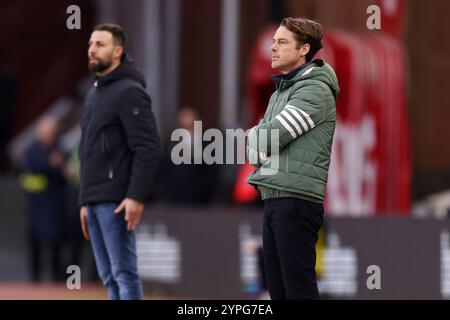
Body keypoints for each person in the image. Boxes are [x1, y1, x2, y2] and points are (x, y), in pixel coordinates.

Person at [246, 17, 340, 300]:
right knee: (278, 294)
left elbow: (266, 139)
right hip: (275, 197)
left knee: (299, 292)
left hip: (296, 201)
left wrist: (257, 138)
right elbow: (254, 151)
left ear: (303, 49)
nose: (273, 48)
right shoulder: (282, 91)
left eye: (282, 42)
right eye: (274, 41)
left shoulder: (314, 90)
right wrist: (257, 140)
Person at [79, 23, 161, 300]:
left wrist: (135, 196)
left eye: (99, 44)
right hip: (95, 200)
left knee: (124, 274)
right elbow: (88, 152)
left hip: (116, 200)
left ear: (118, 51)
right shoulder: (93, 95)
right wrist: (85, 200)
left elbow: (148, 147)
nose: (91, 50)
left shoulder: (129, 92)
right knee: (110, 278)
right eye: (90, 44)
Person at [20, 116, 67, 282]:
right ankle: (35, 279)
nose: (48, 135)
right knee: (35, 241)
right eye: (45, 132)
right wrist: (51, 166)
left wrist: (56, 167)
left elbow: (65, 171)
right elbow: (35, 168)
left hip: (55, 204)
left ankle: (57, 279)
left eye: (51, 132)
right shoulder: (32, 151)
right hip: (36, 205)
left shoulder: (59, 148)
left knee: (56, 242)